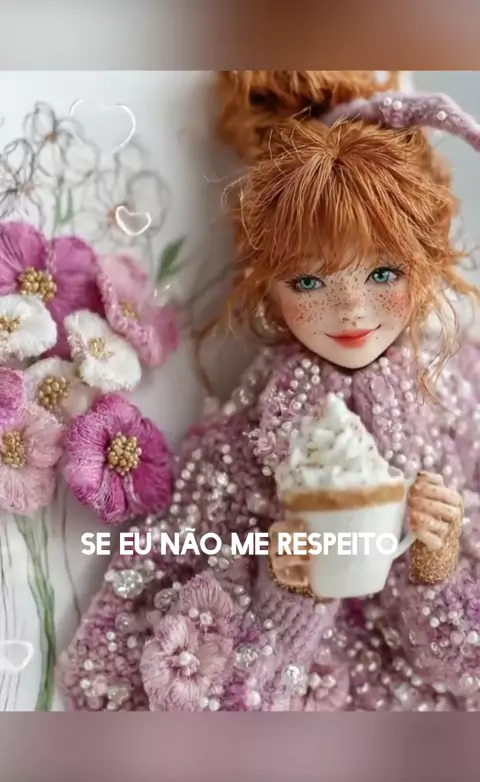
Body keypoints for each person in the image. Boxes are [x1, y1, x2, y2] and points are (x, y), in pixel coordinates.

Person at [58, 71, 480, 711]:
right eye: (309, 282)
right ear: (268, 284)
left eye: (383, 272)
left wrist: (437, 569)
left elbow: (463, 668)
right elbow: (111, 680)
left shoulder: (459, 397)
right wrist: (287, 600)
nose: (350, 308)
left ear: (426, 260)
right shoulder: (239, 451)